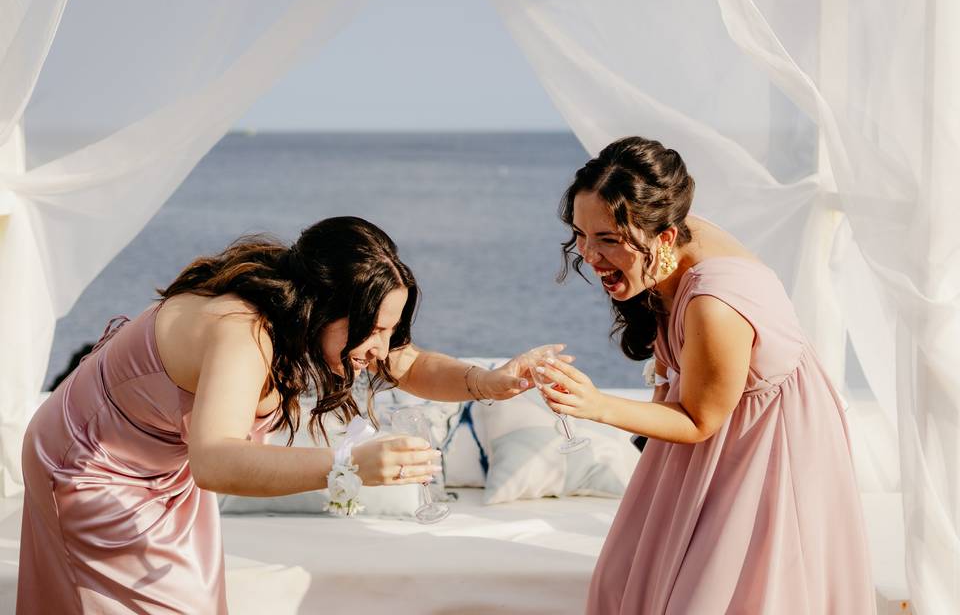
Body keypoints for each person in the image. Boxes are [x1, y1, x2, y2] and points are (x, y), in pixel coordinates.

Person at [18, 216, 554, 614]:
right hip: (90, 466)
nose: (382, 347)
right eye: (373, 329)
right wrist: (348, 463)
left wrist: (490, 381)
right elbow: (215, 462)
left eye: (390, 327)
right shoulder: (243, 331)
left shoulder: (309, 318)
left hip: (161, 470)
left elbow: (409, 364)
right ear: (321, 306)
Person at [534, 138, 875, 613]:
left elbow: (698, 420)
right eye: (581, 234)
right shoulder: (666, 237)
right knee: (624, 576)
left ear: (665, 238)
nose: (589, 256)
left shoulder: (714, 305)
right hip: (712, 440)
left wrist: (596, 406)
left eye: (608, 239)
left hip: (767, 449)